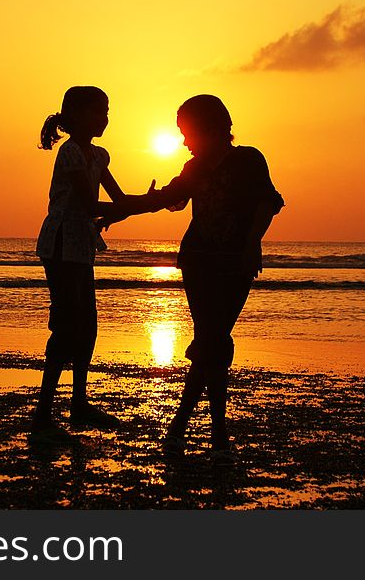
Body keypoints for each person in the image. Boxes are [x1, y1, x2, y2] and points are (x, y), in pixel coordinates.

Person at [103, 95, 284, 464]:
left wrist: (252, 243)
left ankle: (183, 431)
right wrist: (115, 212)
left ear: (213, 128)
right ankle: (213, 438)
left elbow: (267, 202)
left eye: (188, 133)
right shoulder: (195, 168)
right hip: (198, 262)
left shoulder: (249, 159)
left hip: (236, 262)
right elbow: (165, 199)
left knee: (211, 342)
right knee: (212, 342)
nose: (185, 142)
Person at [31, 86, 149, 444]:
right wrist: (143, 205)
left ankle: (79, 402)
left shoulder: (99, 156)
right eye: (99, 112)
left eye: (107, 111)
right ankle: (43, 414)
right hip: (61, 244)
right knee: (66, 327)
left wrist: (152, 201)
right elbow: (89, 202)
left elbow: (117, 201)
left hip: (82, 247)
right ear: (77, 116)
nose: (105, 118)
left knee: (88, 325)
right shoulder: (69, 153)